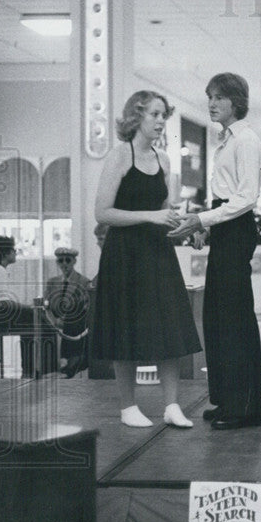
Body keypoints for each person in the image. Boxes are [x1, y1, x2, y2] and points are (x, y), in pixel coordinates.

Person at [90, 90, 201, 428]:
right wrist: (151, 217)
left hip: (158, 252)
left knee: (170, 328)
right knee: (127, 330)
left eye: (163, 116)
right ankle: (128, 407)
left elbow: (163, 211)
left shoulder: (164, 159)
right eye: (154, 115)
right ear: (135, 117)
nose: (160, 122)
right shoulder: (119, 156)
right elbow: (102, 212)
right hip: (124, 254)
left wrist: (185, 227)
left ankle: (171, 405)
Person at [169, 73, 261, 430]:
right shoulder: (224, 139)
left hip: (237, 228)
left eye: (220, 97)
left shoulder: (247, 139)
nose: (212, 103)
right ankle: (226, 399)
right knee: (218, 317)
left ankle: (246, 408)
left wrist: (201, 220)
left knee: (235, 319)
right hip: (225, 227)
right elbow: (226, 198)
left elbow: (246, 197)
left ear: (236, 101)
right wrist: (204, 228)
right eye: (210, 96)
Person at [0, 235, 57, 378]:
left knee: (29, 324)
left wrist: (27, 309)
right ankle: (48, 371)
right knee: (44, 323)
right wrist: (29, 309)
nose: (15, 252)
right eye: (13, 250)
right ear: (5, 253)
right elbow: (4, 303)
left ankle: (29, 372)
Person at [44, 246, 91, 378]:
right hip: (55, 321)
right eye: (60, 261)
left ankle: (68, 366)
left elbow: (85, 307)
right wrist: (53, 320)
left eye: (68, 260)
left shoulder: (83, 281)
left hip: (73, 324)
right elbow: (46, 304)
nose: (64, 264)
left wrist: (65, 321)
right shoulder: (52, 282)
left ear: (74, 262)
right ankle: (43, 368)